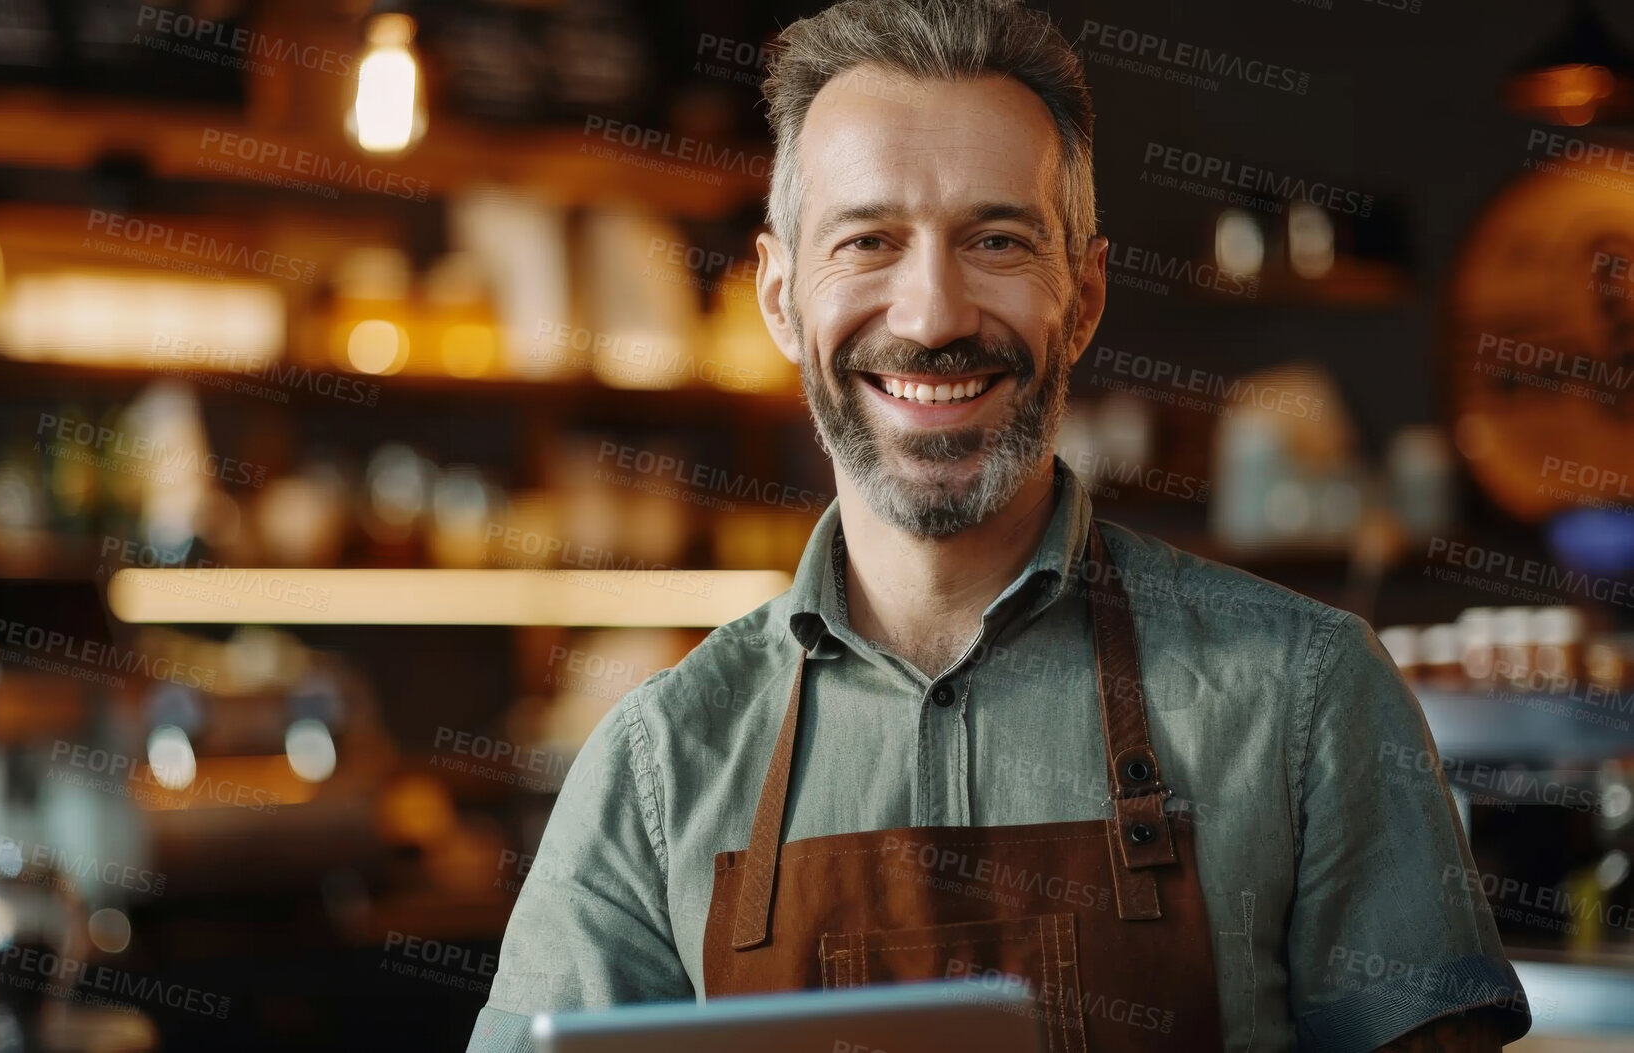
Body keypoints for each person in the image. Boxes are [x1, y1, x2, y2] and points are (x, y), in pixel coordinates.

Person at [465, 1, 1529, 1049]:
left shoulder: (1309, 696)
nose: (932, 316)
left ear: (1086, 294)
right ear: (781, 299)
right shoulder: (655, 768)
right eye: (869, 240)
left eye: (998, 240)